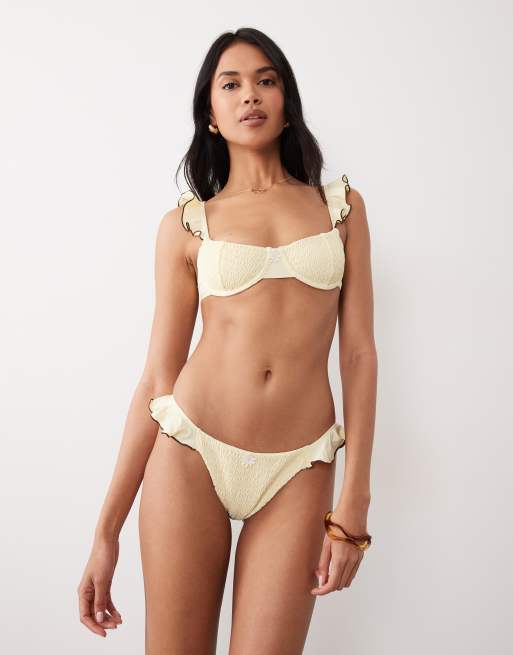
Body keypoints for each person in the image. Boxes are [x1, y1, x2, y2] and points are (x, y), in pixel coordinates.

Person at [77, 27, 377, 655]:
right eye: (231, 84)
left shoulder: (341, 209)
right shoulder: (186, 225)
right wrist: (106, 531)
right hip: (191, 452)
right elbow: (158, 380)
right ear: (210, 114)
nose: (250, 95)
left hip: (300, 466)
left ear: (287, 102)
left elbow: (357, 354)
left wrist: (356, 500)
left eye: (266, 80)